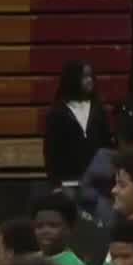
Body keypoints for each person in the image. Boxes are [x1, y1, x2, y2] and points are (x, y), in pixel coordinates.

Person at [42, 60, 113, 188]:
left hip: (97, 182)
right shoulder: (58, 112)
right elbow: (51, 150)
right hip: (67, 181)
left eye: (91, 76)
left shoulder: (98, 109)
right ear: (73, 79)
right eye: (85, 76)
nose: (90, 80)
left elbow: (106, 144)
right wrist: (55, 182)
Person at [31, 191, 87, 265]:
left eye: (53, 225)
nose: (45, 231)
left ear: (69, 228)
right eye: (39, 226)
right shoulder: (31, 261)